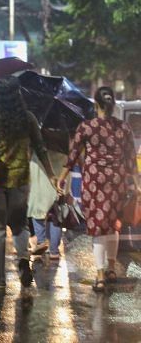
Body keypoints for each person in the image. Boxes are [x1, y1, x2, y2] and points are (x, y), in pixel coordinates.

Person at [0, 77, 56, 289]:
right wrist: (51, 174)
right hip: (20, 180)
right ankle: (22, 261)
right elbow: (40, 147)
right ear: (18, 95)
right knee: (19, 226)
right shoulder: (28, 118)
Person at [57, 87, 139, 291]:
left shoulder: (87, 127)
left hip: (95, 183)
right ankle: (111, 267)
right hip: (116, 182)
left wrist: (62, 178)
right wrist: (136, 184)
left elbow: (73, 154)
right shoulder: (123, 128)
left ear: (96, 104)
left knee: (97, 227)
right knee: (113, 224)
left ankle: (100, 274)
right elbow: (130, 159)